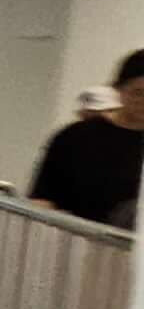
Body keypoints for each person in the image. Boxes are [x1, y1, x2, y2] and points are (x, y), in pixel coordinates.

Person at [30, 50, 144, 228]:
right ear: (118, 91)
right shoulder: (75, 137)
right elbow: (42, 200)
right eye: (138, 93)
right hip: (73, 237)